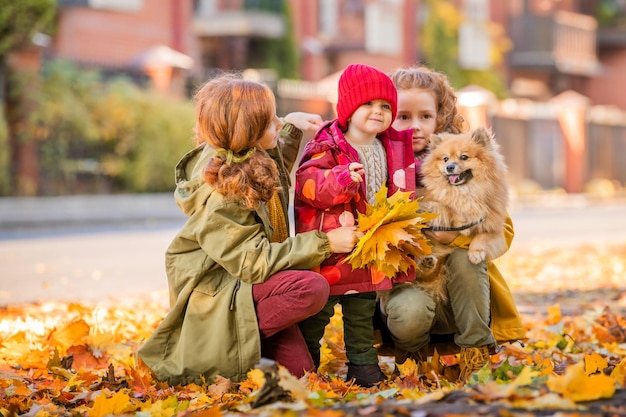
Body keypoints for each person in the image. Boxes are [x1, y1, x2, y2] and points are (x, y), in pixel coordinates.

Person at [137, 74, 363, 386]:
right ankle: (223, 343)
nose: (279, 125)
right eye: (271, 121)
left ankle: (251, 347)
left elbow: (275, 167)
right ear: (248, 132)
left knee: (300, 374)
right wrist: (325, 242)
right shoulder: (223, 193)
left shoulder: (247, 157)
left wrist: (293, 126)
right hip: (222, 291)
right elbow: (252, 263)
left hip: (246, 287)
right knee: (311, 288)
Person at [376, 65, 526, 381]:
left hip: (464, 293)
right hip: (410, 284)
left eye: (425, 117)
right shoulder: (377, 165)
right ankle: (413, 359)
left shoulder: (464, 165)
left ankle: (476, 354)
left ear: (440, 117)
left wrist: (454, 239)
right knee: (409, 315)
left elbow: (502, 229)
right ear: (388, 116)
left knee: (465, 257)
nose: (415, 127)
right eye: (404, 117)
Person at [293, 64, 417, 387]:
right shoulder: (328, 146)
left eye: (385, 107)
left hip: (368, 250)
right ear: (348, 109)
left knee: (361, 312)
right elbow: (308, 184)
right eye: (368, 104)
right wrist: (341, 179)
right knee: (317, 312)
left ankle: (363, 366)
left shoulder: (390, 146)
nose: (378, 112)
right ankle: (304, 365)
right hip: (333, 251)